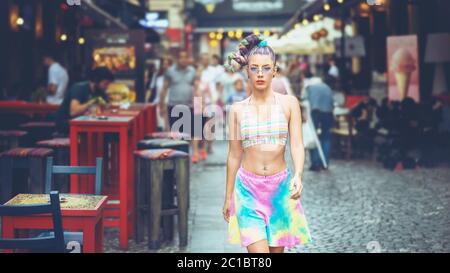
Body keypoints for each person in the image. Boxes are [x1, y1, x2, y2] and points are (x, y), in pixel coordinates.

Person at [223, 34, 312, 253]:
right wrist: (228, 197)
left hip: (280, 191)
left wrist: (298, 175)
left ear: (275, 70)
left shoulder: (290, 104)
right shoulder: (237, 110)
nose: (260, 74)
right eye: (254, 68)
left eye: (265, 68)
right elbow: (234, 155)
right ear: (247, 72)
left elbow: (297, 145)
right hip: (247, 191)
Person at [159, 50, 208, 164]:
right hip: (173, 106)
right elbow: (164, 88)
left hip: (188, 106)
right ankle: (174, 159)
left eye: (186, 57)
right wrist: (161, 105)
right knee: (175, 134)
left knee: (188, 134)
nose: (183, 59)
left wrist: (201, 104)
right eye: (181, 57)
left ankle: (185, 158)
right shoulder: (170, 71)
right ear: (177, 59)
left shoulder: (192, 71)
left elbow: (197, 88)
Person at [55, 67, 114, 135]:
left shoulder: (99, 91)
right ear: (96, 81)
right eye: (105, 84)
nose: (107, 87)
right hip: (67, 124)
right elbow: (73, 112)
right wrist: (91, 102)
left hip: (83, 124)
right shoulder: (79, 88)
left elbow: (105, 108)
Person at [304, 74, 334, 171]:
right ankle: (325, 162)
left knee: (314, 137)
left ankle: (315, 163)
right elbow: (332, 103)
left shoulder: (310, 87)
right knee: (326, 137)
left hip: (316, 112)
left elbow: (304, 100)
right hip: (328, 113)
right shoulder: (327, 87)